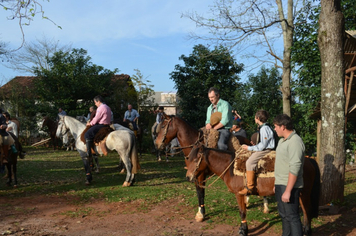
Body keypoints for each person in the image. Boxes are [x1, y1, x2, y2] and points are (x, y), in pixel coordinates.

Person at [273, 114, 305, 235]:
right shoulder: (282, 141)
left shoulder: (295, 141)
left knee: (292, 217)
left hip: (290, 186)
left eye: (276, 126)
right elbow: (282, 164)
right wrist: (277, 183)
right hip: (281, 184)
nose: (274, 129)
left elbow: (295, 167)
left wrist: (288, 190)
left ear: (283, 126)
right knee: (284, 216)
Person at [239, 109, 275, 195]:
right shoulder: (265, 127)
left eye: (255, 117)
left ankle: (250, 187)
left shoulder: (264, 129)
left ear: (258, 118)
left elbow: (263, 145)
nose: (254, 119)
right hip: (264, 148)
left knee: (249, 162)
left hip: (266, 149)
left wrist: (249, 148)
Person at [84, 96, 112, 182]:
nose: (95, 104)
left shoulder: (101, 108)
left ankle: (89, 152)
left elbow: (97, 118)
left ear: (98, 101)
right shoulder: (107, 107)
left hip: (101, 125)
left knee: (87, 134)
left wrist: (90, 124)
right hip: (107, 125)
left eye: (95, 102)